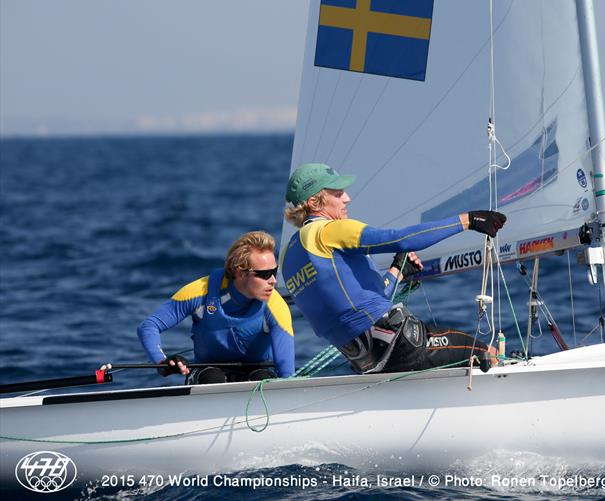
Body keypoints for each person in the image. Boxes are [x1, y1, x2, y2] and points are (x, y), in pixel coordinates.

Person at [281, 163, 506, 375]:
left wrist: (398, 269)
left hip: (366, 362)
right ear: (314, 202)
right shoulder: (328, 231)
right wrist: (468, 220)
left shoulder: (288, 256)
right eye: (338, 193)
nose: (347, 198)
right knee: (486, 352)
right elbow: (402, 239)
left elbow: (361, 306)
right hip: (404, 345)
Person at [136, 231, 294, 384]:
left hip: (258, 373)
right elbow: (149, 326)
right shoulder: (199, 292)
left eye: (274, 272)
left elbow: (287, 375)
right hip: (207, 373)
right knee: (212, 377)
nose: (273, 280)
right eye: (265, 274)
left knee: (262, 379)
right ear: (239, 273)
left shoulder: (276, 306)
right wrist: (162, 362)